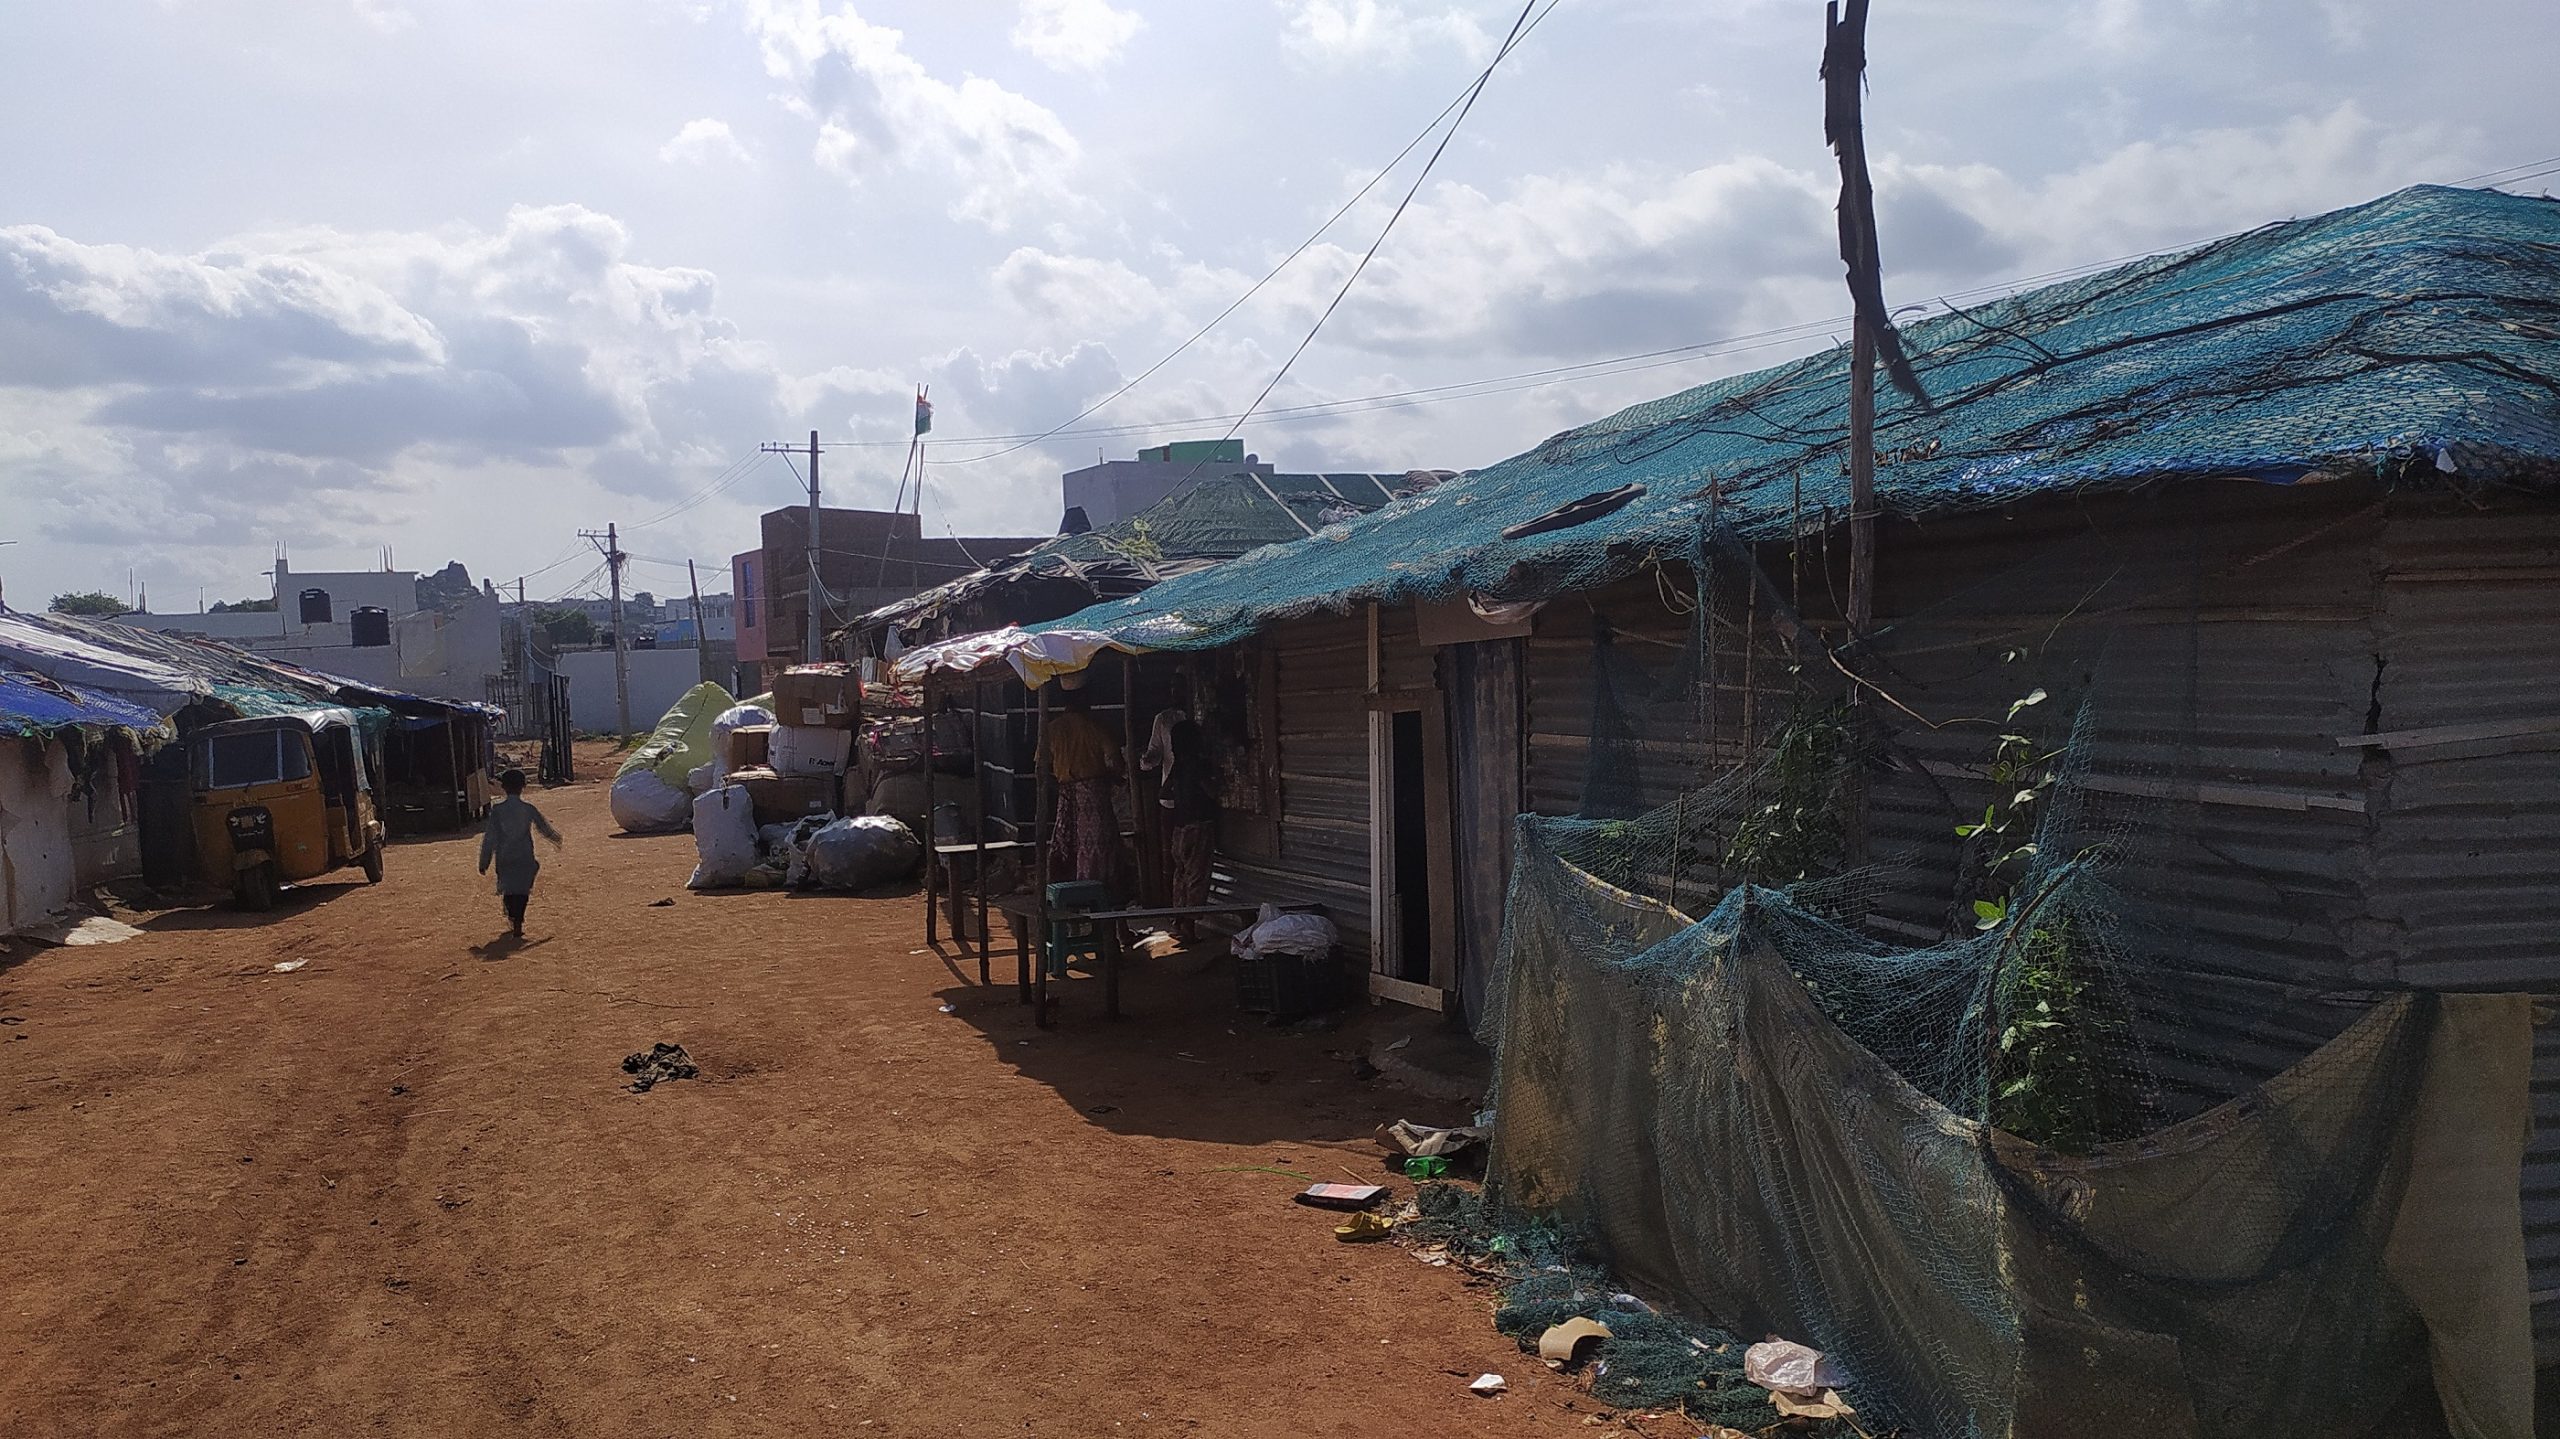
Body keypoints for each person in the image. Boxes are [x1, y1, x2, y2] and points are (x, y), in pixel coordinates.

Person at [1139, 683, 1220, 942]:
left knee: (1181, 875)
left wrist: (1180, 798)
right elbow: (1212, 792)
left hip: (1179, 828)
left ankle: (1178, 919)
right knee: (1197, 876)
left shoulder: (1179, 768)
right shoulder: (1198, 766)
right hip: (1198, 826)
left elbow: (1164, 794)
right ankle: (1188, 925)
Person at [1042, 683, 1122, 885]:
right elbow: (1116, 762)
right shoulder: (1095, 727)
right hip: (1094, 798)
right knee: (1098, 847)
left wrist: (1061, 787)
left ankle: (1069, 889)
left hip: (1065, 794)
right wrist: (1112, 778)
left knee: (1065, 844)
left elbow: (1041, 770)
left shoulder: (1052, 729)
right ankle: (1099, 888)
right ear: (1083, 699)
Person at [479, 768, 562, 939]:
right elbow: (543, 826)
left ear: (503, 787)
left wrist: (484, 861)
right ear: (523, 786)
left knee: (509, 889)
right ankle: (519, 920)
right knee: (523, 890)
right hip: (525, 855)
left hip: (505, 856)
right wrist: (555, 838)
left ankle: (512, 915)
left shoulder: (498, 810)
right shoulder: (528, 808)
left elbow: (490, 838)